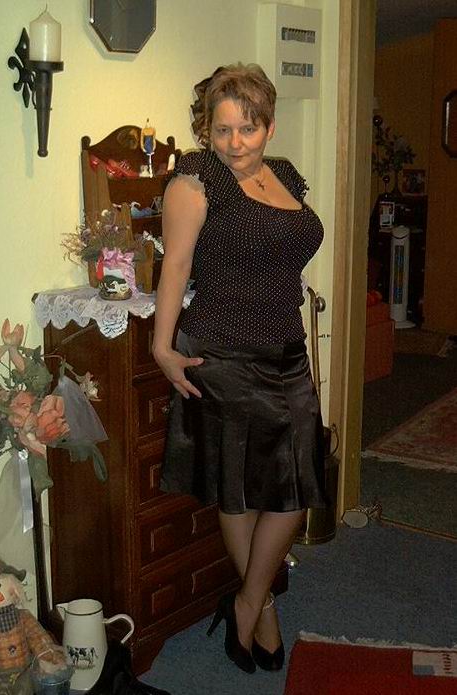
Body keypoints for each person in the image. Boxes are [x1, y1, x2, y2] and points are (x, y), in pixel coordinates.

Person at [153, 63, 327, 675]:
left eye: (247, 129)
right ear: (207, 129)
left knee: (296, 486)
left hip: (286, 350)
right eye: (221, 129)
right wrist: (162, 347)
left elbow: (287, 246)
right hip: (223, 354)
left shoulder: (285, 175)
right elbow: (175, 267)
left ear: (269, 127)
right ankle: (263, 608)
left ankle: (248, 599)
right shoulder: (195, 181)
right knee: (240, 489)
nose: (234, 143)